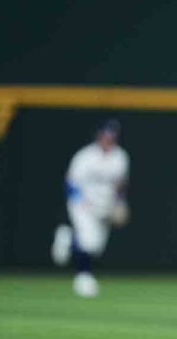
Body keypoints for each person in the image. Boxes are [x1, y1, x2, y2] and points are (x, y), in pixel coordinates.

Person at [50, 119, 130, 297]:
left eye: (112, 135)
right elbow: (70, 183)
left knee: (96, 247)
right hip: (83, 205)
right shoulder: (85, 156)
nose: (108, 138)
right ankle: (83, 278)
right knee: (87, 240)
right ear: (99, 135)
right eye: (106, 134)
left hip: (105, 207)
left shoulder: (120, 157)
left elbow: (121, 184)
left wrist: (120, 202)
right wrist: (80, 201)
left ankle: (68, 239)